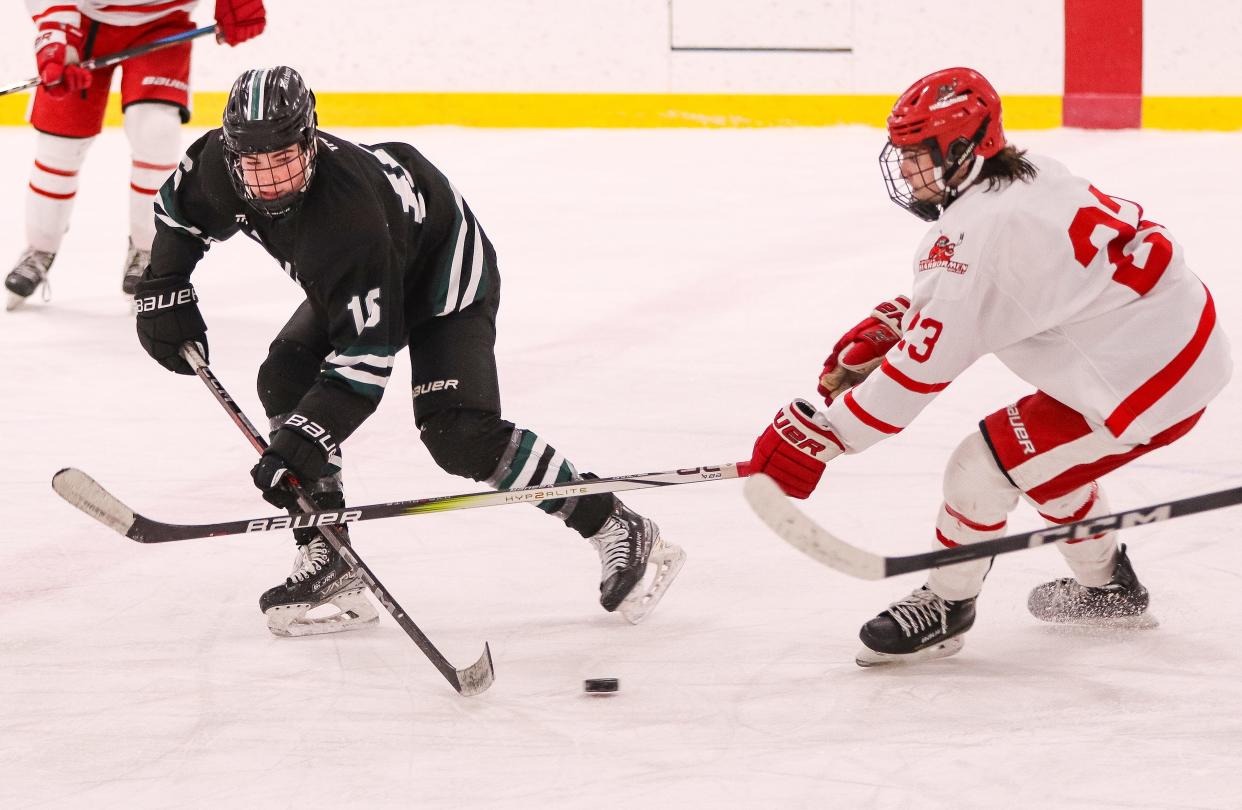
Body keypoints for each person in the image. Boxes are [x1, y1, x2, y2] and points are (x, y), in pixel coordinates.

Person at [131, 66, 685, 636]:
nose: (270, 178)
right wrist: (164, 288)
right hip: (364, 274)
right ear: (230, 149)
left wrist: (300, 444)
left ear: (312, 141)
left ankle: (614, 523)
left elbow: (364, 364)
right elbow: (177, 215)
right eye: (255, 163)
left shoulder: (348, 221)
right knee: (285, 376)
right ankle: (330, 555)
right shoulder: (219, 167)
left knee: (459, 435)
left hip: (441, 273)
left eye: (285, 158)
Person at [748, 67, 1232, 667]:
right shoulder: (1032, 177)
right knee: (1038, 461)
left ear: (962, 151)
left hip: (1146, 381)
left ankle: (948, 606)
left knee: (981, 468)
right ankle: (1110, 591)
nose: (905, 171)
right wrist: (910, 313)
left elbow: (920, 372)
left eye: (918, 156)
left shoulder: (977, 234)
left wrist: (828, 435)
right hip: (1168, 339)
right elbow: (1008, 284)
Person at [5, 0, 266, 312]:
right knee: (60, 144)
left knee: (156, 131)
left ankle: (147, 251)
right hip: (85, 20)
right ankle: (40, 248)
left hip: (164, 20)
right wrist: (56, 35)